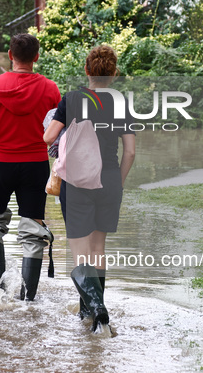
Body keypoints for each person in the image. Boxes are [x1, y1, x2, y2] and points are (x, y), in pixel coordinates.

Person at [43, 45, 136, 331]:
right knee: (98, 248)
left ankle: (97, 309)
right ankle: (90, 316)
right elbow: (130, 152)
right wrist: (116, 182)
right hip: (109, 180)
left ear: (87, 70)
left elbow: (49, 138)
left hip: (77, 183)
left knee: (81, 252)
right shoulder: (120, 102)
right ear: (113, 73)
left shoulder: (71, 99)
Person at [0, 34, 61, 301]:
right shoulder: (50, 89)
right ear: (36, 57)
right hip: (35, 165)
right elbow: (56, 130)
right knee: (34, 228)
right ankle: (28, 300)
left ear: (11, 55)